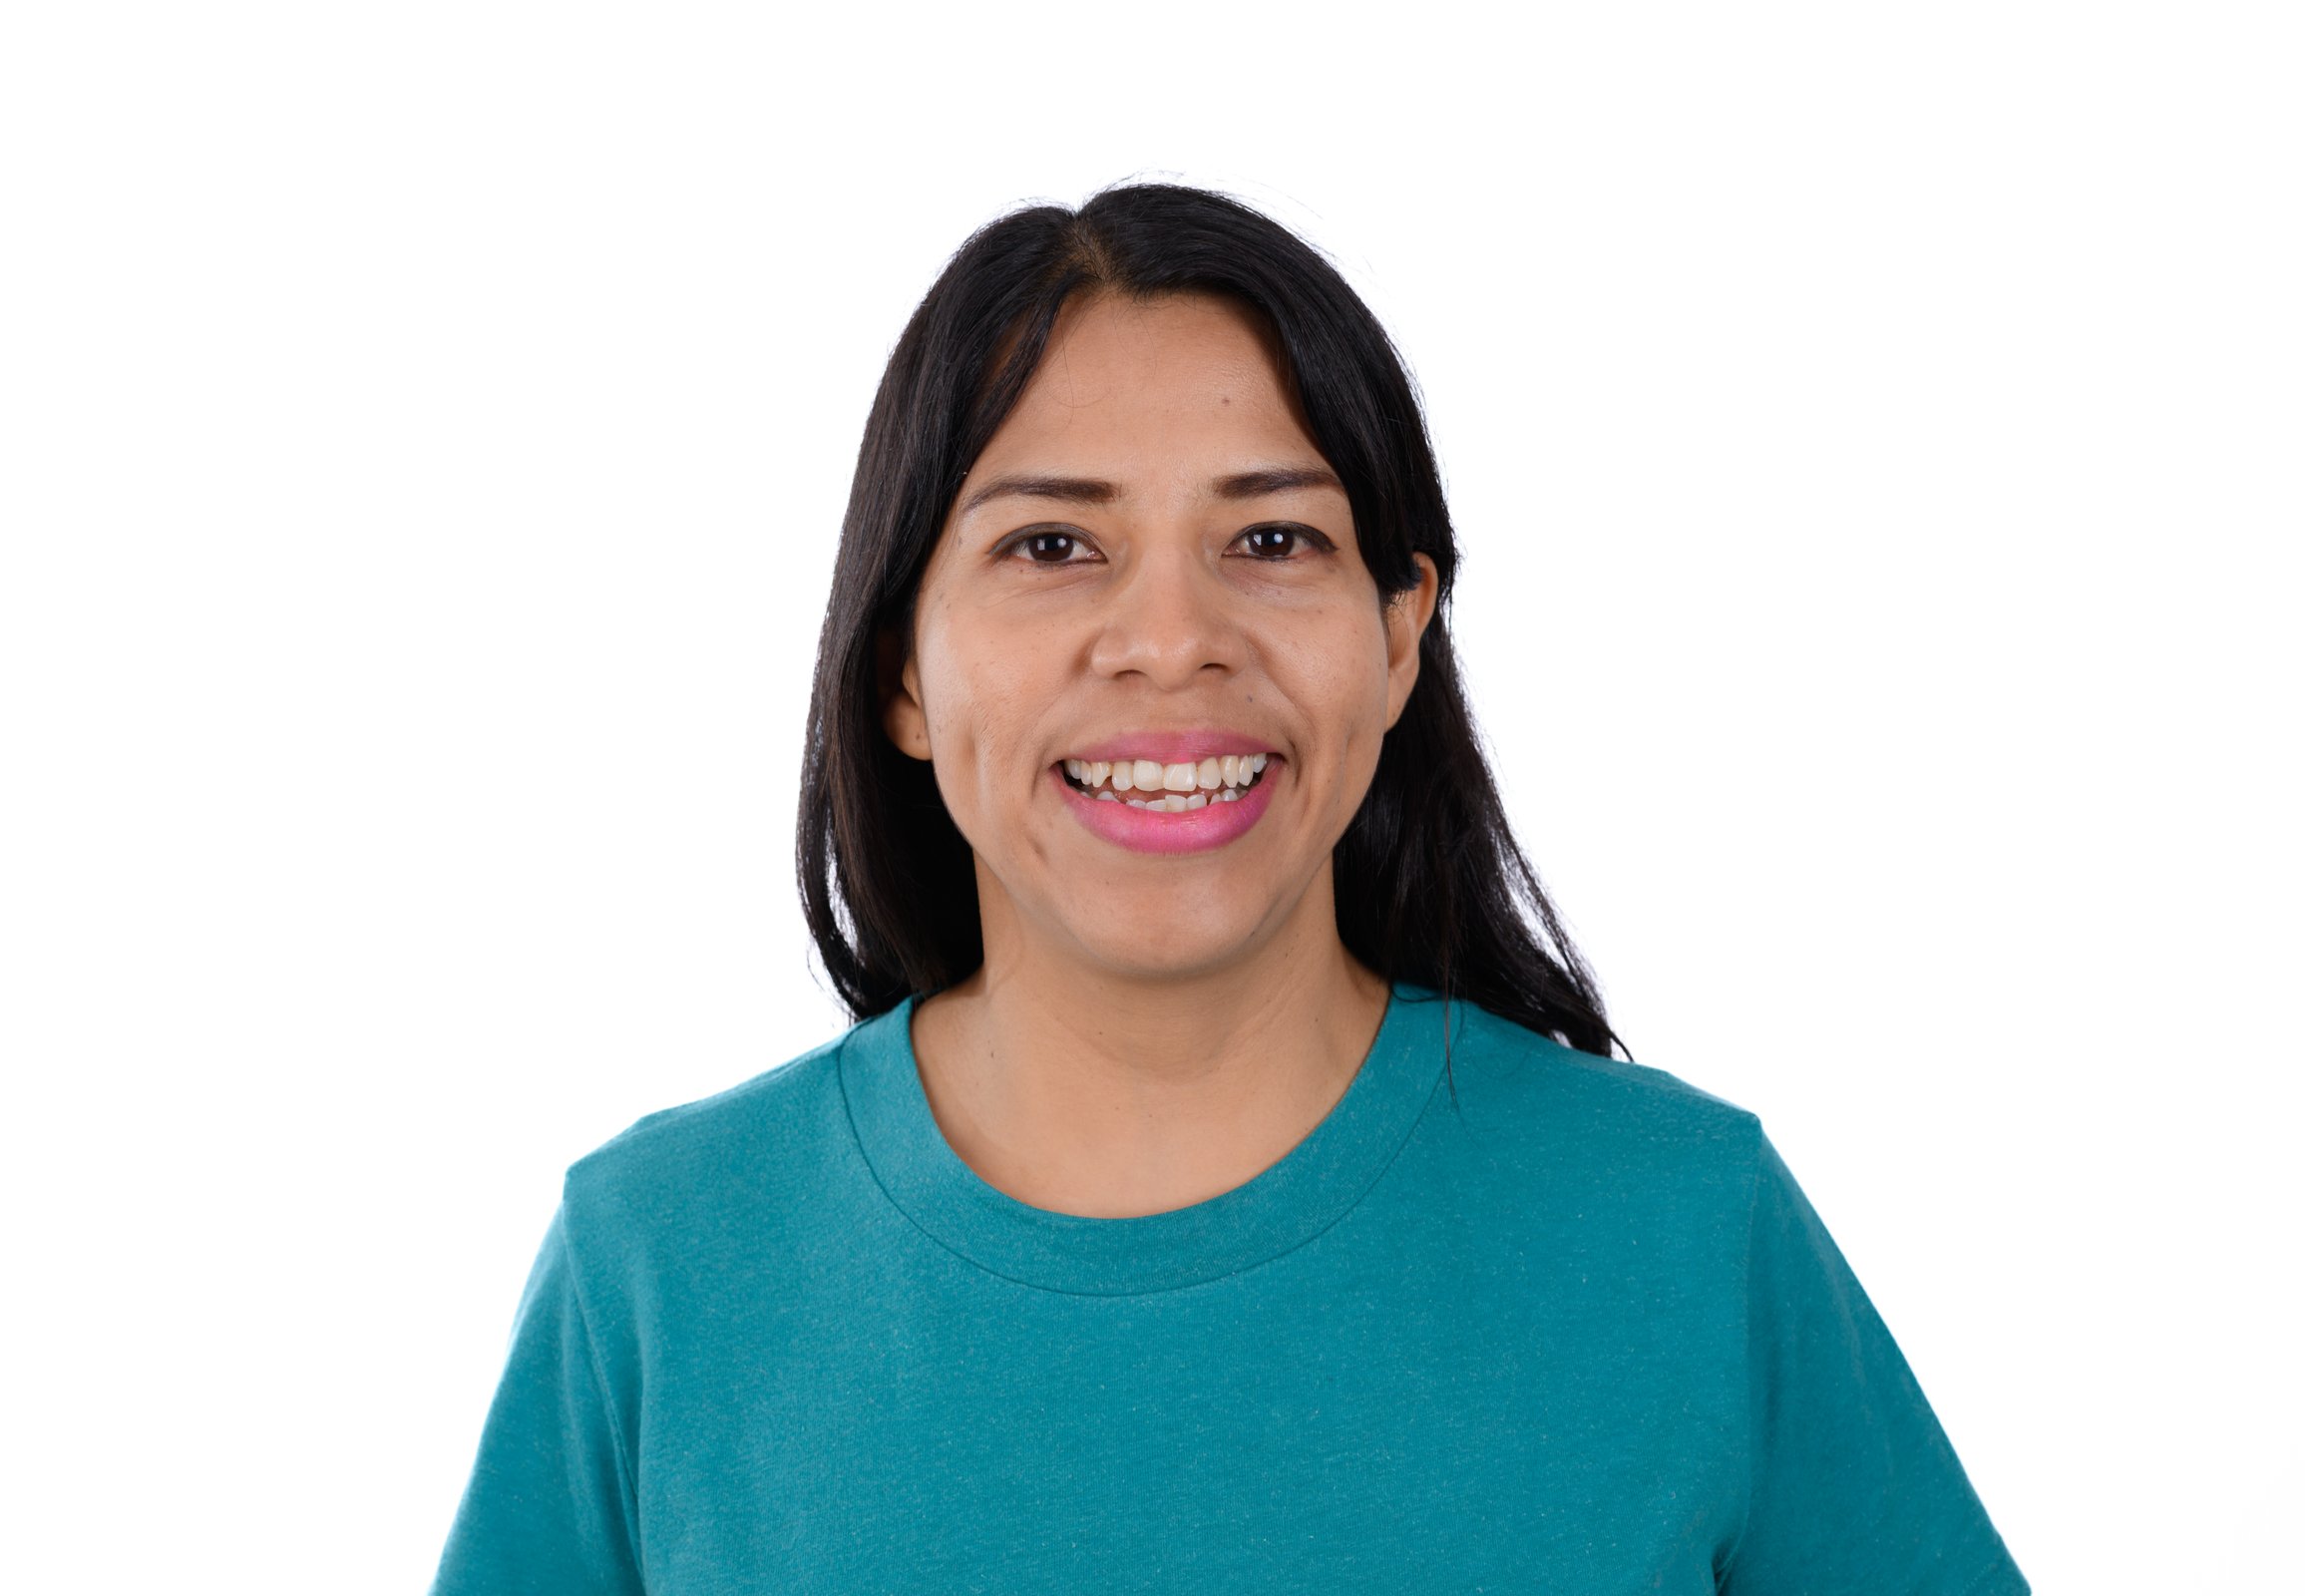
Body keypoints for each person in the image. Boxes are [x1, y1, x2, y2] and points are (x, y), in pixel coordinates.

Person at [428, 183, 2031, 1593]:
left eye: (1271, 540)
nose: (1171, 636)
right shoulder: (661, 1268)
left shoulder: (1685, 1227)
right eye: (1052, 548)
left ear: (1400, 636)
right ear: (900, 673)